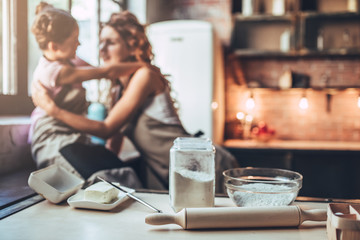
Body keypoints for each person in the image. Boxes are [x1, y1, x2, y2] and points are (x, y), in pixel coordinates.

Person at [32, 10, 237, 192]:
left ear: (131, 46)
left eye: (110, 43)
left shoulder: (144, 76)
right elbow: (114, 140)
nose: (102, 50)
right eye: (101, 42)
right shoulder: (118, 89)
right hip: (175, 175)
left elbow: (106, 129)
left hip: (203, 166)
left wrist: (51, 108)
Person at [30, 2, 144, 188]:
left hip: (74, 135)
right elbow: (105, 72)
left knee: (123, 176)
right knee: (102, 181)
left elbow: (104, 71)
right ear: (54, 46)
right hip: (53, 136)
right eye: (74, 39)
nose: (79, 43)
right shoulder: (54, 72)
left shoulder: (69, 61)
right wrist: (144, 67)